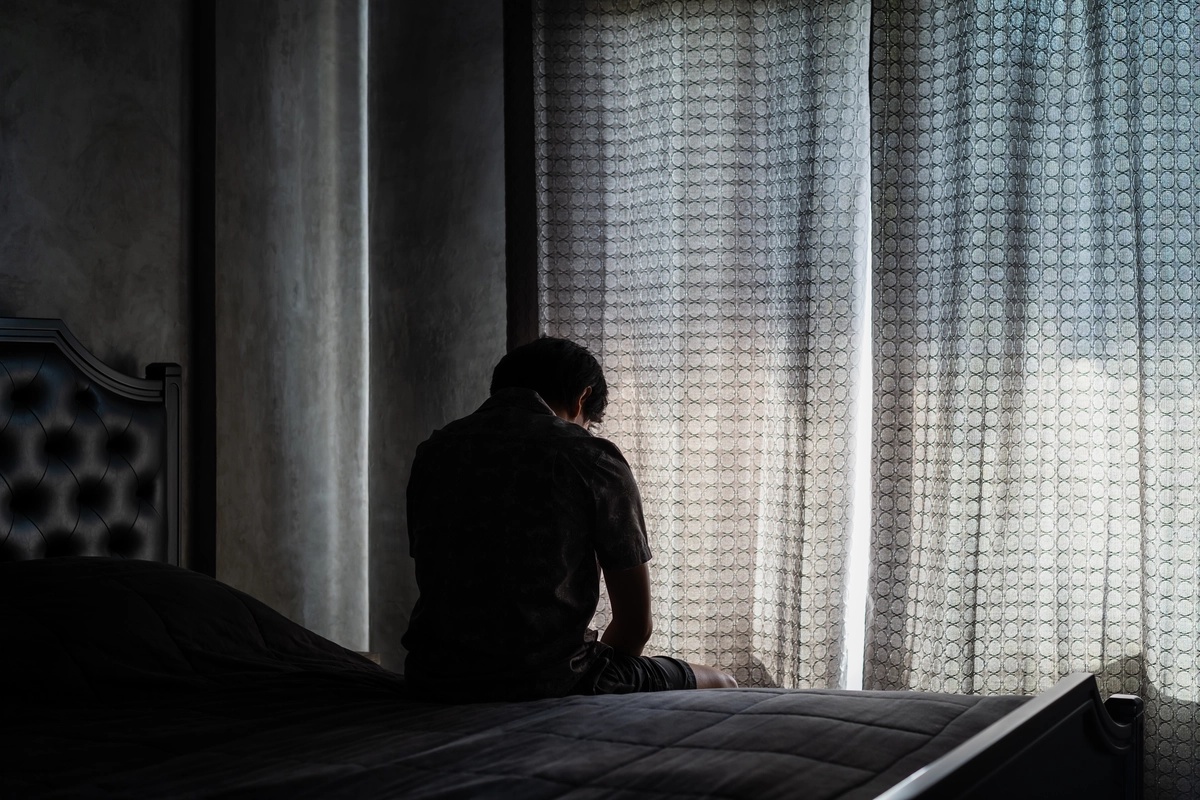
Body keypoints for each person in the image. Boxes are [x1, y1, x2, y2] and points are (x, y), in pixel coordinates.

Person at [402, 336, 737, 702]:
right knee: (724, 684)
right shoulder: (589, 457)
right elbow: (635, 627)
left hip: (433, 678)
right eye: (588, 422)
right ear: (582, 398)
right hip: (547, 681)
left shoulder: (433, 453)